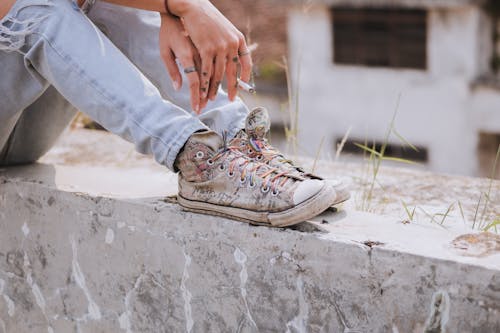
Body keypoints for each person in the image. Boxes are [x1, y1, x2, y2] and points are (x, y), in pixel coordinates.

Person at [0, 0, 348, 227]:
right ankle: (194, 159)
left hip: (21, 129)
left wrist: (171, 11)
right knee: (38, 9)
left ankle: (237, 142)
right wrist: (182, 5)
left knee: (100, 6)